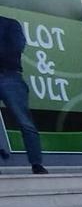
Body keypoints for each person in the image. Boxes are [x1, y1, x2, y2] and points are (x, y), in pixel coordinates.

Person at [0, 16, 47, 174]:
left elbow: (17, 46)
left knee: (24, 121)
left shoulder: (9, 24)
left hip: (9, 76)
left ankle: (36, 163)